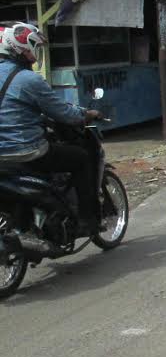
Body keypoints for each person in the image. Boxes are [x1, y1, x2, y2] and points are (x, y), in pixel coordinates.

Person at [0, 22, 103, 235]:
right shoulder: (29, 80)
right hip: (26, 151)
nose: (35, 55)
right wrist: (86, 115)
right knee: (81, 158)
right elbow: (63, 112)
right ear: (21, 49)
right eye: (33, 48)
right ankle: (87, 220)